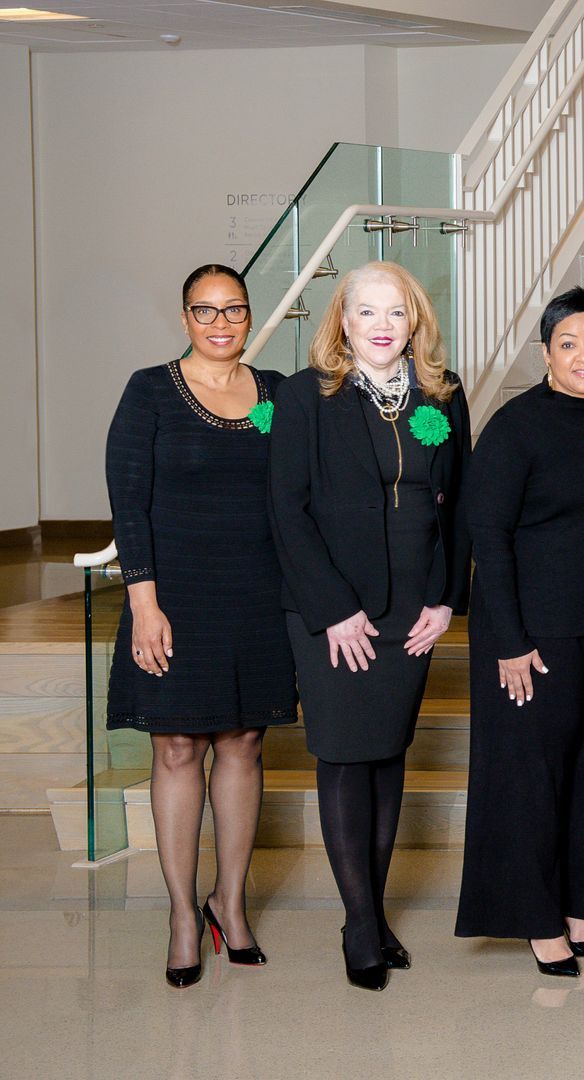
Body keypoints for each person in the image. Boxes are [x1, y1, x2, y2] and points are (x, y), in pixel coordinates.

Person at [269, 260, 470, 992]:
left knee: (387, 755)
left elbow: (462, 502)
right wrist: (333, 609)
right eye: (367, 312)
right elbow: (286, 510)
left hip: (412, 611)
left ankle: (373, 913)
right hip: (333, 614)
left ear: (414, 321)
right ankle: (359, 924)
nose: (382, 326)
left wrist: (446, 599)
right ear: (342, 322)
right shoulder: (304, 397)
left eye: (396, 312)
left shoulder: (442, 393)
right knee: (346, 757)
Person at [455, 288, 584, 978]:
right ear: (546, 353)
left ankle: (583, 905)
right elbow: (488, 537)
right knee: (531, 775)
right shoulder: (515, 427)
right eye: (568, 344)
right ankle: (537, 918)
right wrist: (509, 641)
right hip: (534, 634)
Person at [105, 264, 296, 988]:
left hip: (256, 593)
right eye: (205, 310)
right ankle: (184, 915)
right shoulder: (149, 390)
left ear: (250, 316)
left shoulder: (277, 393)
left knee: (243, 742)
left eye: (234, 309)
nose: (221, 323)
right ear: (185, 318)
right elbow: (128, 502)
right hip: (174, 598)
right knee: (179, 746)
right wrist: (143, 603)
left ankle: (230, 903)